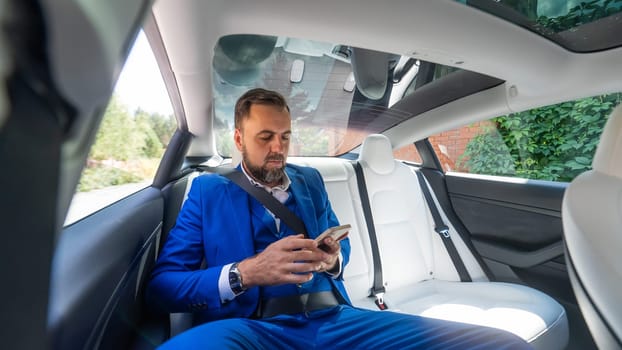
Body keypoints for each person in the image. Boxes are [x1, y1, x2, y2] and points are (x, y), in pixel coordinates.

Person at [146, 88, 532, 349]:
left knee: (501, 344)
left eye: (285, 136)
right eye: (265, 137)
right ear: (238, 139)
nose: (278, 148)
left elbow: (339, 255)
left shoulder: (310, 182)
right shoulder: (208, 191)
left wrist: (332, 261)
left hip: (334, 319)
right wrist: (245, 273)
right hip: (251, 330)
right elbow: (162, 289)